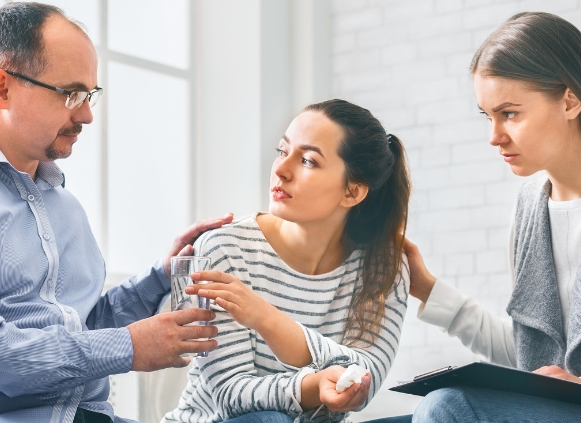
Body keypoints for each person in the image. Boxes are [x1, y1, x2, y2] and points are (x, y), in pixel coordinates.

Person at [372, 12, 581, 423]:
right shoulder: (530, 206)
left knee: (448, 407)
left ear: (570, 99)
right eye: (487, 116)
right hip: (566, 412)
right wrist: (429, 290)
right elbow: (538, 358)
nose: (494, 136)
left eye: (509, 113)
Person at [0, 3, 231, 422]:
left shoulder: (61, 203)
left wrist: (161, 273)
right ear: (1, 89)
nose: (85, 114)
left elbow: (81, 327)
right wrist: (128, 347)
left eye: (89, 96)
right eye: (71, 93)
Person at [161, 99, 412, 423]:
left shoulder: (384, 267)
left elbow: (367, 376)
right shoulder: (219, 248)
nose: (281, 169)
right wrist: (312, 386)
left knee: (441, 413)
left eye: (307, 160)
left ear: (352, 192)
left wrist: (267, 319)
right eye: (283, 151)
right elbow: (230, 396)